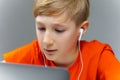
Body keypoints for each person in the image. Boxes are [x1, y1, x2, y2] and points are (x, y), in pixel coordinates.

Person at [3, 0, 120, 80]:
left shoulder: (99, 56)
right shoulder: (32, 54)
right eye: (41, 28)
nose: (46, 41)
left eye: (59, 30)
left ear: (82, 29)